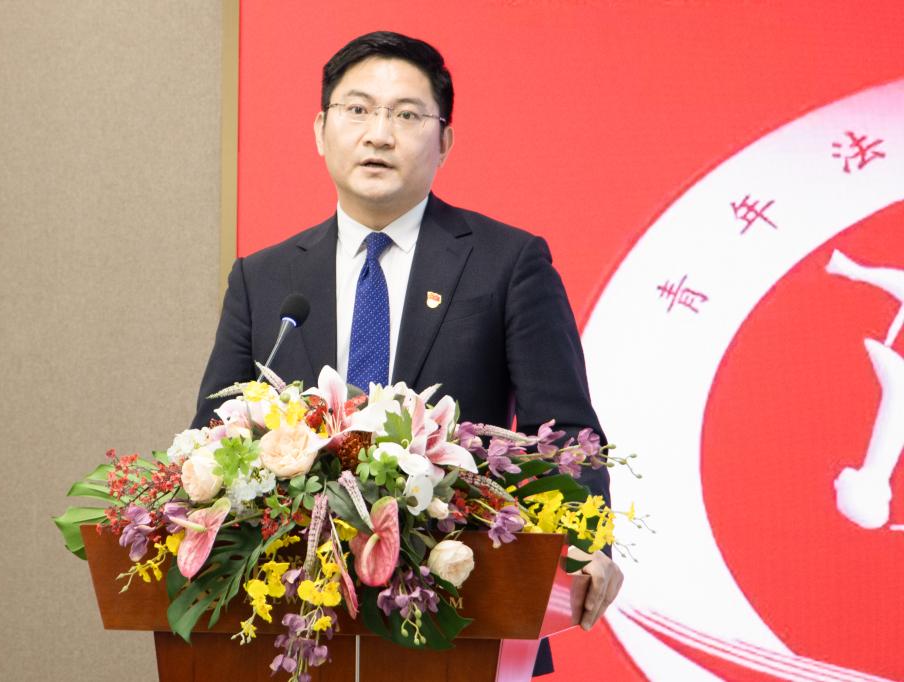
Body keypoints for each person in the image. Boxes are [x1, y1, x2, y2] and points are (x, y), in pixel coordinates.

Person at [192, 30, 622, 677]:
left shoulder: (507, 263)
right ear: (321, 129)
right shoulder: (265, 278)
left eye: (407, 115)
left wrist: (587, 547)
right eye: (357, 109)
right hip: (294, 616)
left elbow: (561, 432)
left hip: (464, 605)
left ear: (444, 140)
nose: (379, 134)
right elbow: (213, 434)